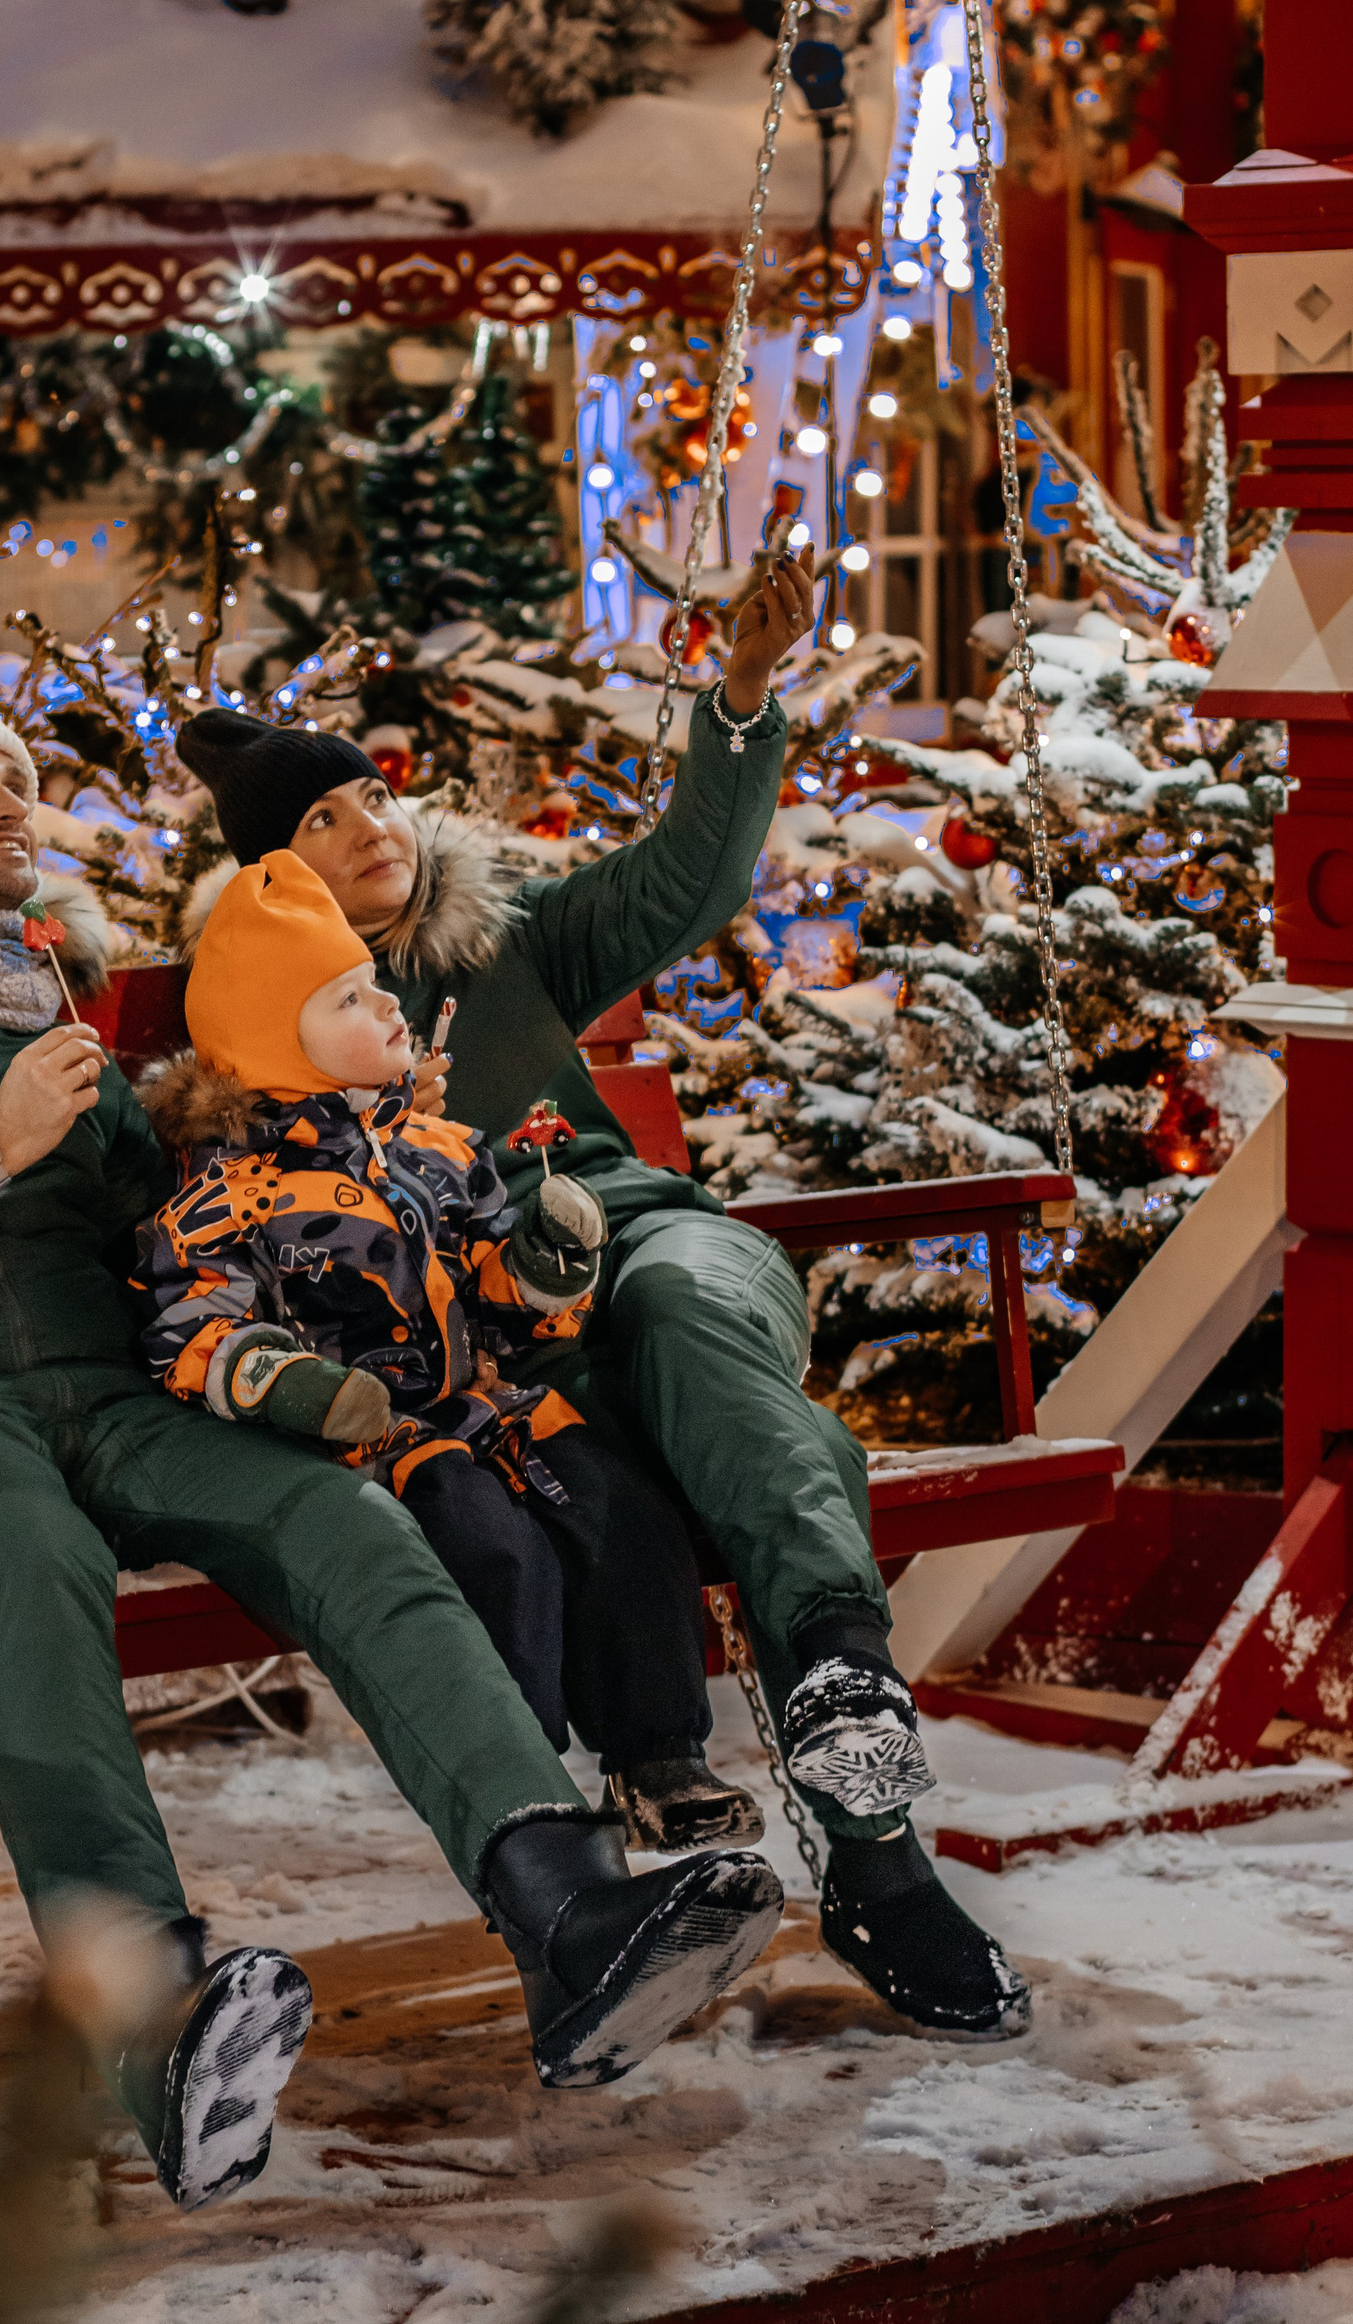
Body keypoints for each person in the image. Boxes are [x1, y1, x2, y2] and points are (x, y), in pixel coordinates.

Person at [0, 696, 785, 2214]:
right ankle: (152, 2019)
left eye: (20, 777)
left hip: (112, 1404)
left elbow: (175, 1242)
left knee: (342, 1516)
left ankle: (566, 1911)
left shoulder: (46, 1015)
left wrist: (346, 1181)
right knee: (25, 1556)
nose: (13, 803)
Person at [179, 549, 1032, 2041]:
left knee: (690, 1327)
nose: (368, 826)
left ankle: (846, 1709)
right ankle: (870, 1850)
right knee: (735, 1439)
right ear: (272, 878)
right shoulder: (269, 1029)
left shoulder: (496, 946)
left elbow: (685, 877)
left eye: (371, 795)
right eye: (319, 822)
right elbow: (217, 1233)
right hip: (499, 1340)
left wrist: (741, 694)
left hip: (639, 1241)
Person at [136, 845, 766, 1868]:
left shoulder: (437, 1151)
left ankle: (661, 1760)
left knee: (624, 1516)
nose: (389, 1006)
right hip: (376, 1441)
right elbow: (192, 1328)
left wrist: (545, 1271)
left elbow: (498, 1312)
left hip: (490, 1407)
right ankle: (524, 1793)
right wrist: (292, 1387)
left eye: (374, 984)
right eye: (349, 999)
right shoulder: (229, 1198)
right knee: (492, 1552)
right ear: (276, 1047)